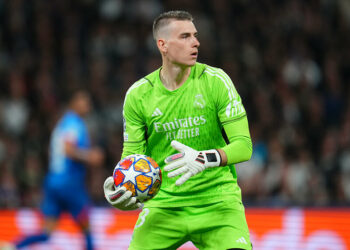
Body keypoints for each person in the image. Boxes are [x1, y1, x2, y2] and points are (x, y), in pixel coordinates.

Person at [103, 10, 253, 250]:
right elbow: (132, 158)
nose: (196, 42)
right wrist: (123, 190)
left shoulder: (216, 81)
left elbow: (244, 146)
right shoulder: (138, 95)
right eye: (185, 36)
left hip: (218, 203)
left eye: (195, 35)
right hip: (163, 206)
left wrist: (205, 158)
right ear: (162, 45)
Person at [13, 89, 104, 250]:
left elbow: (54, 151)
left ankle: (13, 246)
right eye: (84, 100)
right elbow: (68, 149)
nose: (88, 105)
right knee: (87, 228)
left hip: (54, 181)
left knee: (47, 232)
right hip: (68, 183)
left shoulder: (63, 123)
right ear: (73, 103)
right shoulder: (73, 123)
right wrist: (90, 156)